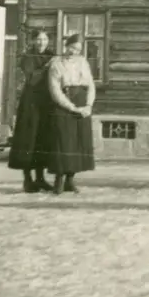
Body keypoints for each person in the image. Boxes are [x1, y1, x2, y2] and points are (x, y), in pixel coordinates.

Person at [45, 33, 97, 194]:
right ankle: (58, 181)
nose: (74, 51)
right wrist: (73, 108)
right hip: (64, 106)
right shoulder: (56, 64)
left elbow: (91, 85)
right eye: (72, 48)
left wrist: (88, 105)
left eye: (78, 49)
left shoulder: (83, 63)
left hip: (82, 103)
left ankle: (70, 180)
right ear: (66, 46)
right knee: (63, 143)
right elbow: (55, 92)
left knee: (77, 144)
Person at [8, 29, 55, 193]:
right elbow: (32, 78)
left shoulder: (51, 55)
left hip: (46, 103)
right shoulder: (27, 58)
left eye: (45, 39)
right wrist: (47, 67)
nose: (42, 42)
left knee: (42, 139)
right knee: (28, 139)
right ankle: (28, 180)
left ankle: (40, 179)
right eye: (39, 39)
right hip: (30, 103)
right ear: (34, 41)